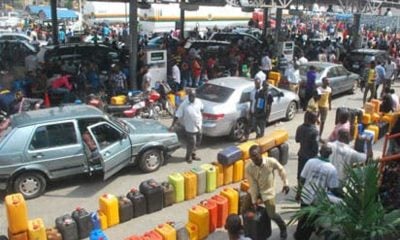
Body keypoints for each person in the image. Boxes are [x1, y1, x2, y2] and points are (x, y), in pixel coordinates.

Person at [294, 144, 341, 240]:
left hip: (306, 196)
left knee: (302, 217)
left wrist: (298, 193)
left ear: (320, 152)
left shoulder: (310, 162)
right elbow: (333, 189)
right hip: (318, 201)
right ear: (330, 154)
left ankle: (298, 235)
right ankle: (304, 237)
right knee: (311, 221)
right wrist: (343, 196)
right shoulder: (331, 169)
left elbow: (302, 179)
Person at [243, 145, 289, 240]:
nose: (253, 158)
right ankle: (247, 228)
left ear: (261, 153)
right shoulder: (249, 167)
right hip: (255, 190)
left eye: (255, 155)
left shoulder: (270, 161)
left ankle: (283, 227)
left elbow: (281, 170)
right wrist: (254, 200)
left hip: (267, 192)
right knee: (244, 209)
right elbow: (253, 185)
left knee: (272, 214)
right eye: (251, 156)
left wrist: (286, 183)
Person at [170, 89, 203, 163]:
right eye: (190, 97)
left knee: (198, 140)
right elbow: (177, 115)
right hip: (190, 127)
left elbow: (201, 109)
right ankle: (188, 156)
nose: (192, 98)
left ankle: (193, 154)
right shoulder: (184, 104)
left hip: (198, 125)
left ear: (195, 96)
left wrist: (200, 119)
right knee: (192, 142)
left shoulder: (198, 101)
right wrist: (173, 125)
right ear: (188, 96)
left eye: (193, 97)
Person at [295, 111, 319, 181]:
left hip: (301, 155)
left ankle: (299, 190)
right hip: (311, 157)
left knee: (300, 175)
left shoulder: (299, 127)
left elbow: (297, 140)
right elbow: (316, 148)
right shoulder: (315, 131)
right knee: (309, 177)